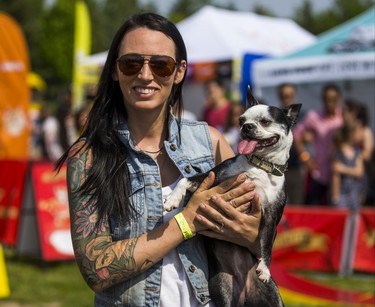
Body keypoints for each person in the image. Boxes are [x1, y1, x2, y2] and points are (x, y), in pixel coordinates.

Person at [57, 13, 262, 306]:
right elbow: (96, 268)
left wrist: (254, 234)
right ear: (115, 70)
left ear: (179, 72)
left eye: (160, 65)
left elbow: (256, 241)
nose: (145, 75)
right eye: (131, 63)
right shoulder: (89, 156)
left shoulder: (212, 144)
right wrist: (186, 221)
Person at [294, 83, 343, 205]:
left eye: (333, 99)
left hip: (338, 172)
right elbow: (296, 135)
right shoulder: (313, 116)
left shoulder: (343, 117)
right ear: (323, 99)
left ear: (338, 99)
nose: (329, 103)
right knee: (315, 207)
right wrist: (305, 158)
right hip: (318, 171)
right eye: (327, 99)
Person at [277, 83, 305, 205]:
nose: (286, 99)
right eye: (284, 96)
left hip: (296, 167)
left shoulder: (303, 116)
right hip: (278, 168)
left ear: (295, 96)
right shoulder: (276, 115)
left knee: (297, 204)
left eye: (289, 96)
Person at [331, 123, 364, 210]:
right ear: (351, 134)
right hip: (341, 194)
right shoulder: (338, 152)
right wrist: (335, 196)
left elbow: (359, 172)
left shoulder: (357, 152)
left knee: (354, 220)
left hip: (354, 193)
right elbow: (336, 175)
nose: (361, 135)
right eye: (358, 133)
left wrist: (343, 169)